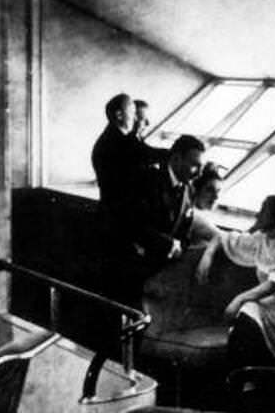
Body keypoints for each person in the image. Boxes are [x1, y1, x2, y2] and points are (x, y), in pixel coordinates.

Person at [197, 195, 275, 368]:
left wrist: (239, 299)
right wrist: (208, 254)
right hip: (267, 305)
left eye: (263, 211)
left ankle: (250, 378)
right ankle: (240, 378)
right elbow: (224, 237)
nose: (258, 215)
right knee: (245, 321)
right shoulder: (262, 239)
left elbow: (274, 285)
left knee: (246, 317)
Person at [122, 134, 206, 282]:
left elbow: (185, 232)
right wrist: (169, 245)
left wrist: (180, 247)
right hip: (132, 266)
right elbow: (132, 224)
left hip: (163, 270)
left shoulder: (189, 190)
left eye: (201, 167)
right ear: (176, 159)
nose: (199, 173)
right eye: (194, 165)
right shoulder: (146, 180)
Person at [90, 93, 139, 210]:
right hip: (117, 213)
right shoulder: (115, 143)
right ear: (119, 115)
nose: (135, 118)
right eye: (132, 113)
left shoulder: (118, 138)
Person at [188, 162, 224, 247]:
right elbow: (223, 240)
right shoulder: (194, 216)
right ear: (196, 190)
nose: (216, 197)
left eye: (218, 191)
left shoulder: (204, 213)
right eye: (210, 190)